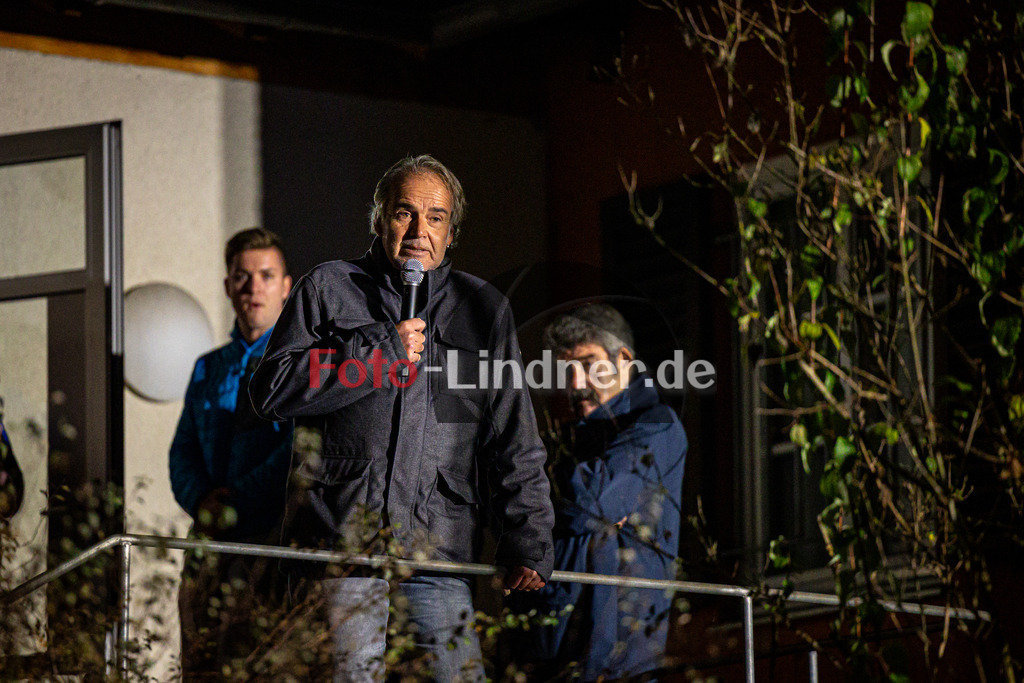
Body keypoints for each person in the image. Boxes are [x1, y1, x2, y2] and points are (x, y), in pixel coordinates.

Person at [248, 154, 554, 682]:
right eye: (403, 212)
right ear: (378, 219)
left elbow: (513, 436)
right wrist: (372, 358)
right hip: (342, 549)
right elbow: (271, 389)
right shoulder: (328, 288)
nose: (418, 230)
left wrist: (529, 534)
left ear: (452, 232)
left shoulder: (482, 310)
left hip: (437, 553)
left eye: (435, 217)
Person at [516, 303, 687, 680]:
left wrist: (539, 489)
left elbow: (588, 503)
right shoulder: (574, 436)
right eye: (567, 370)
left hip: (619, 653)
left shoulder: (657, 426)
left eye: (589, 364)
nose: (576, 384)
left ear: (624, 359)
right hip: (554, 646)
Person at [169, 227, 294, 678]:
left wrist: (238, 500)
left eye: (266, 275)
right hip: (207, 539)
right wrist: (201, 499)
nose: (253, 287)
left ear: (286, 286)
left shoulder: (299, 364)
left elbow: (295, 449)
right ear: (227, 285)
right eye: (243, 276)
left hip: (267, 539)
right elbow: (182, 450)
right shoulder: (208, 366)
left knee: (255, 666)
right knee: (198, 665)